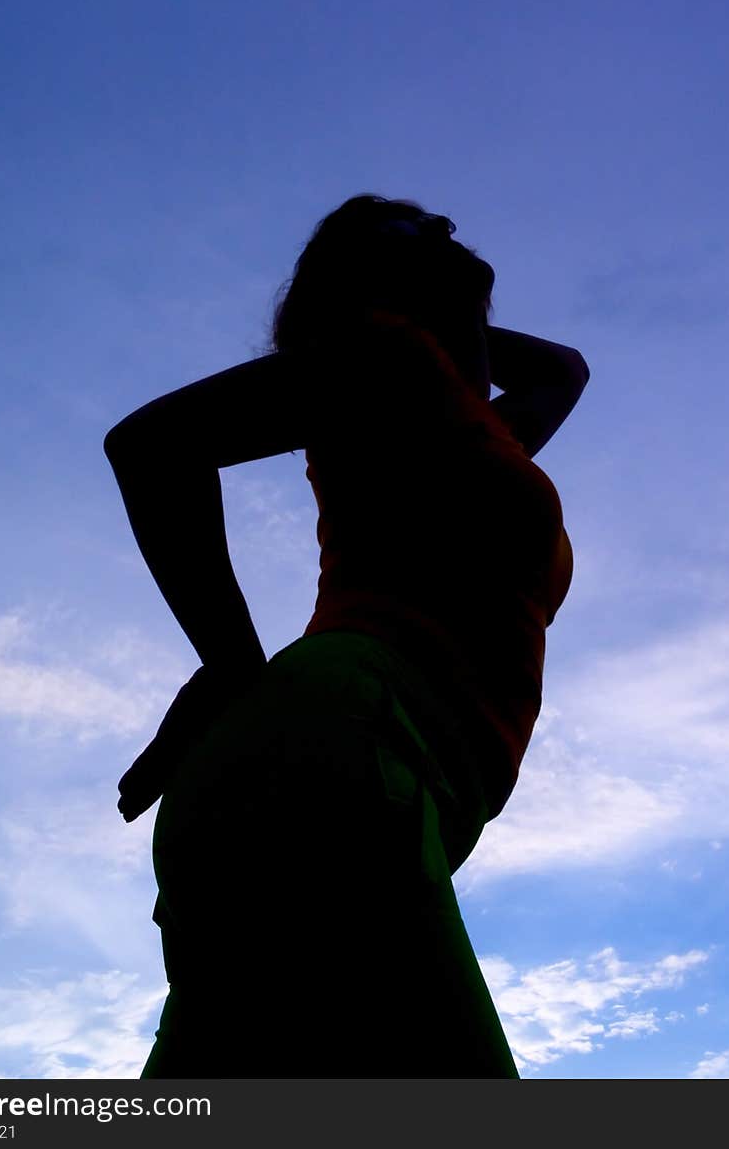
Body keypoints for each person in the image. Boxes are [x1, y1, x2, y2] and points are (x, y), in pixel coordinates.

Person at [103, 193, 590, 1078]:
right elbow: (151, 445)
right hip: (349, 752)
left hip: (329, 777)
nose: (447, 231)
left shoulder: (471, 427)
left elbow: (563, 370)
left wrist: (452, 312)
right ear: (373, 281)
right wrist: (233, 670)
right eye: (413, 230)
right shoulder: (385, 359)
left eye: (443, 223)